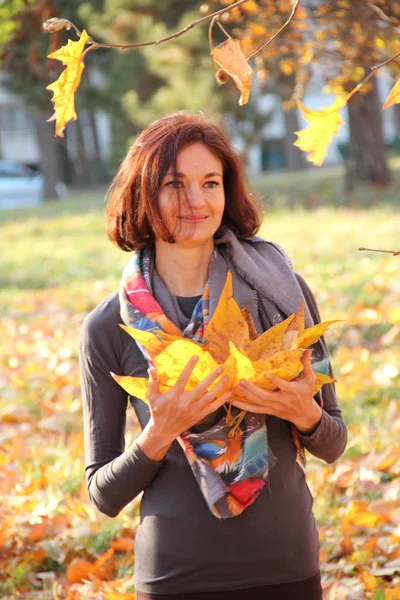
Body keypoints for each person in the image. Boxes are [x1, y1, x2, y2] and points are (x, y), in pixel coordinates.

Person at [79, 111, 347, 600]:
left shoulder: (283, 295)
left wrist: (304, 414)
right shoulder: (107, 330)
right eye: (175, 185)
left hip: (286, 568)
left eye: (211, 182)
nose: (197, 201)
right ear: (143, 195)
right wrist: (158, 434)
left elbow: (333, 442)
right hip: (175, 579)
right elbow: (103, 494)